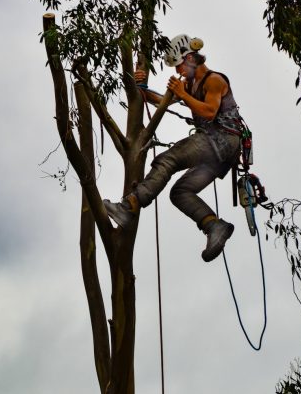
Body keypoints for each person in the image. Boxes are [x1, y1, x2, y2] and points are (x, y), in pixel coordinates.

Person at [103, 34, 244, 262]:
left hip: (222, 139)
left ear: (190, 58)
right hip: (217, 153)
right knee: (180, 192)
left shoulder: (214, 80)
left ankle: (129, 206)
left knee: (169, 159)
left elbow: (209, 111)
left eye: (179, 65)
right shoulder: (189, 85)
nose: (179, 71)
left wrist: (182, 93)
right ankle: (214, 225)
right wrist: (140, 86)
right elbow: (162, 100)